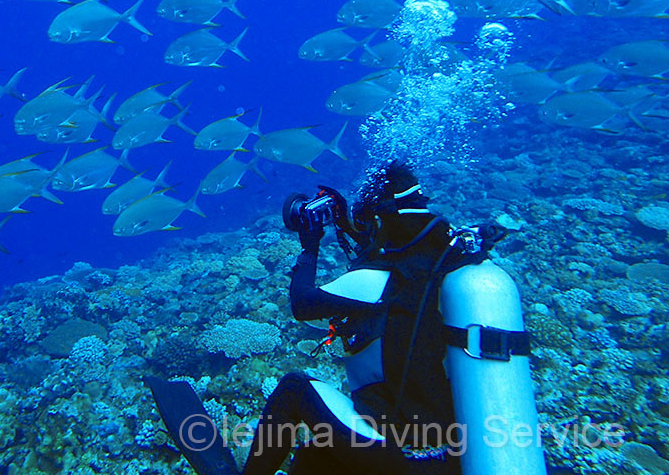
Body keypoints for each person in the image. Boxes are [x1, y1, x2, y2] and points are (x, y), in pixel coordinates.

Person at [147, 160, 544, 475]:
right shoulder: (446, 267)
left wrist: (310, 245)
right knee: (317, 454)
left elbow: (303, 303)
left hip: (402, 455)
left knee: (295, 389)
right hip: (456, 456)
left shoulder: (378, 280)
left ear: (380, 220)